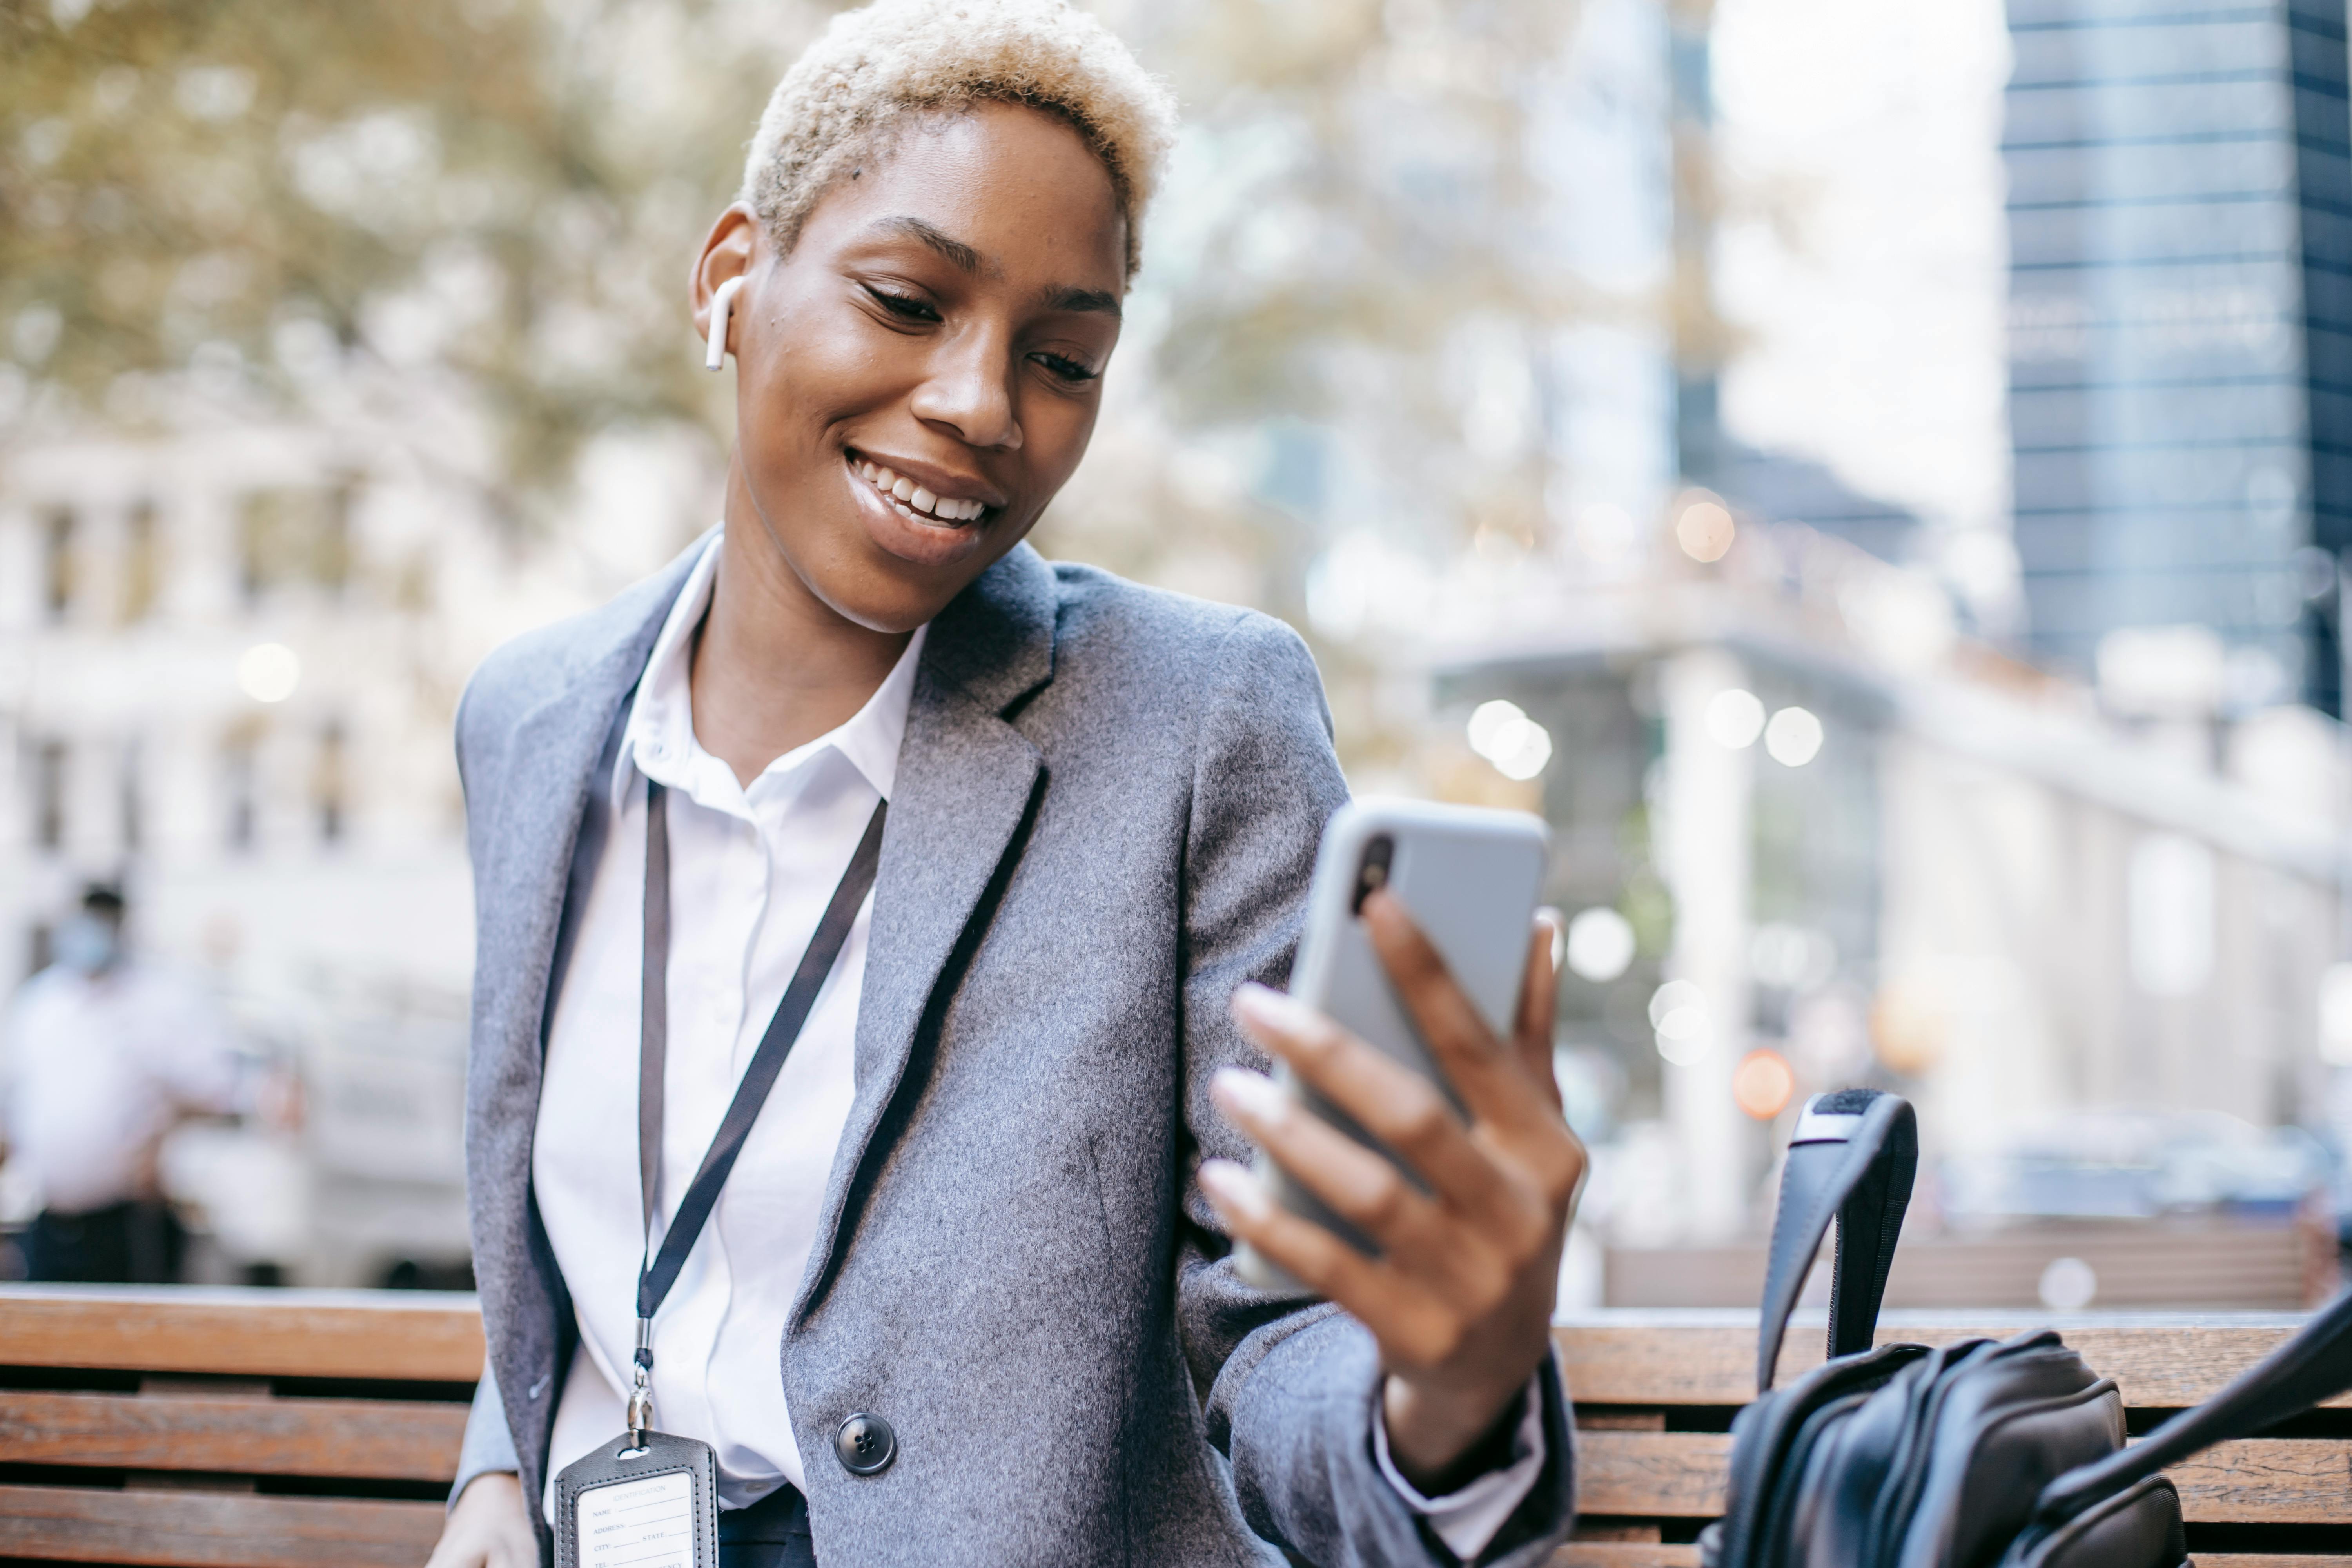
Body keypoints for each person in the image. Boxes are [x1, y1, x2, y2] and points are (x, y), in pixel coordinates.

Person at [426, 2, 1587, 1564]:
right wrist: (504, 1463)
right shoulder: (531, 718)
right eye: (909, 299)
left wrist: (1445, 1386)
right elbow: (574, 1223)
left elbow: (1285, 1329)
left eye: (1064, 357)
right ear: (728, 282)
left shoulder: (1196, 724)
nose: (986, 403)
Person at [0, 884, 246, 1284]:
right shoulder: (41, 1003)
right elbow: (13, 1104)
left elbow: (217, 1090)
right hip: (49, 1216)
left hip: (130, 1220)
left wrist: (162, 1131)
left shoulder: (162, 999)